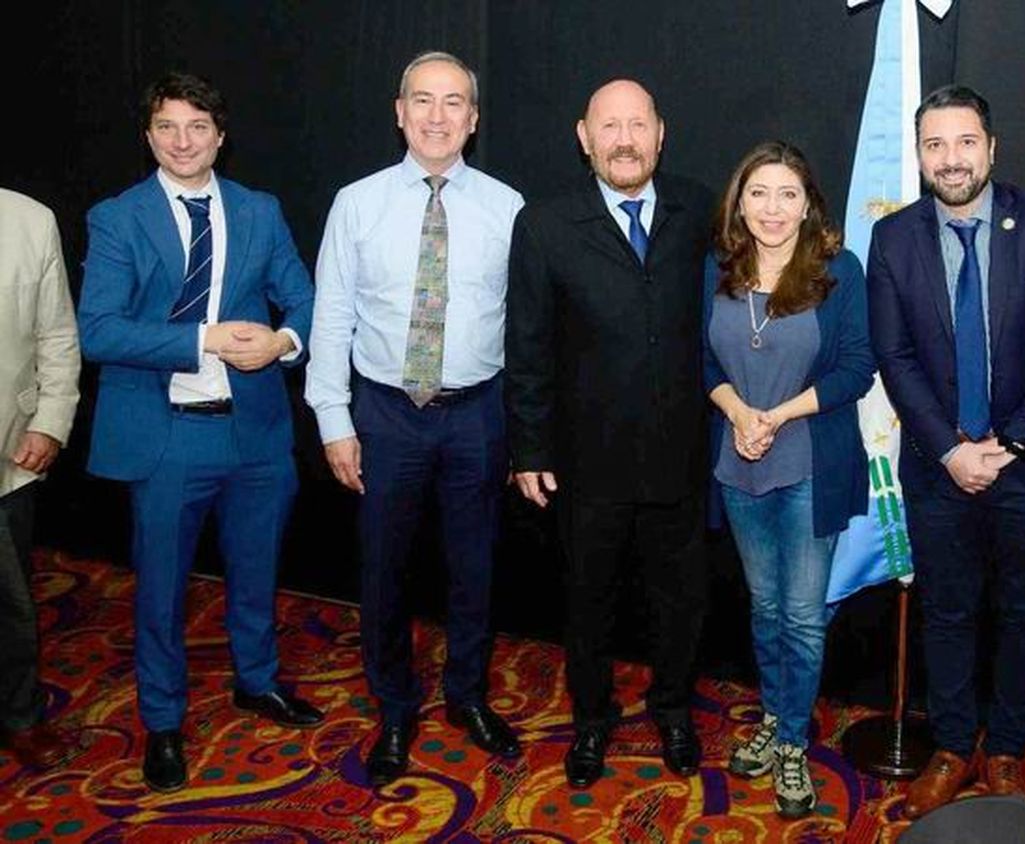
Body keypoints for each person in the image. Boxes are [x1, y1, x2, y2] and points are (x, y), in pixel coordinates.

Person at [78, 72, 324, 793]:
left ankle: (258, 681)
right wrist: (203, 340)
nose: (182, 141)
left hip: (255, 433)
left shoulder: (260, 210)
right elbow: (99, 329)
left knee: (257, 571)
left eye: (197, 127)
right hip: (167, 434)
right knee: (160, 588)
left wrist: (283, 342)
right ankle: (162, 720)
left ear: (220, 134)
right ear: (148, 136)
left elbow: (307, 298)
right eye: (166, 127)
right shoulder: (117, 218)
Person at [306, 51, 525, 787]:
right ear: (399, 111)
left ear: (474, 118)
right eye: (423, 101)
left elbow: (527, 331)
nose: (437, 116)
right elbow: (330, 316)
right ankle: (394, 705)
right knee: (384, 571)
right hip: (385, 415)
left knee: (475, 569)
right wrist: (334, 419)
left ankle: (466, 695)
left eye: (454, 102)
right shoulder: (356, 203)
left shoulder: (508, 208)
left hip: (477, 416)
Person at [866, 84, 1025, 818]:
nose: (951, 159)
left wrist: (1010, 441)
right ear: (921, 155)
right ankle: (955, 746)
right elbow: (893, 357)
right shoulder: (894, 238)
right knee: (949, 613)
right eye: (935, 145)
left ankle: (1007, 752)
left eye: (965, 143)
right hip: (938, 467)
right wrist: (950, 449)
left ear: (992, 147)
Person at [505, 78, 714, 790]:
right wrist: (529, 447)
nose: (624, 140)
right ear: (583, 137)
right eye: (609, 127)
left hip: (681, 456)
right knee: (587, 602)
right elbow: (527, 344)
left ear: (661, 132)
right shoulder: (543, 224)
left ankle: (674, 709)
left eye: (637, 125)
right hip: (584, 462)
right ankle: (591, 720)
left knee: (680, 600)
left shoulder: (699, 210)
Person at [704, 141, 875, 818]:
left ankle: (795, 743)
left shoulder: (839, 271)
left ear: (809, 205)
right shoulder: (716, 269)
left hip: (809, 461)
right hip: (737, 462)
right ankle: (773, 719)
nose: (772, 209)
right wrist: (740, 412)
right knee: (766, 608)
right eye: (759, 193)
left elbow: (857, 369)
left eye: (787, 195)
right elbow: (703, 364)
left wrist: (774, 415)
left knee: (804, 616)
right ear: (739, 201)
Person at [0, 189, 81, 771]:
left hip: (9, 454)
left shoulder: (30, 219)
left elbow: (56, 335)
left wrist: (50, 423)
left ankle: (20, 715)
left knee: (11, 599)